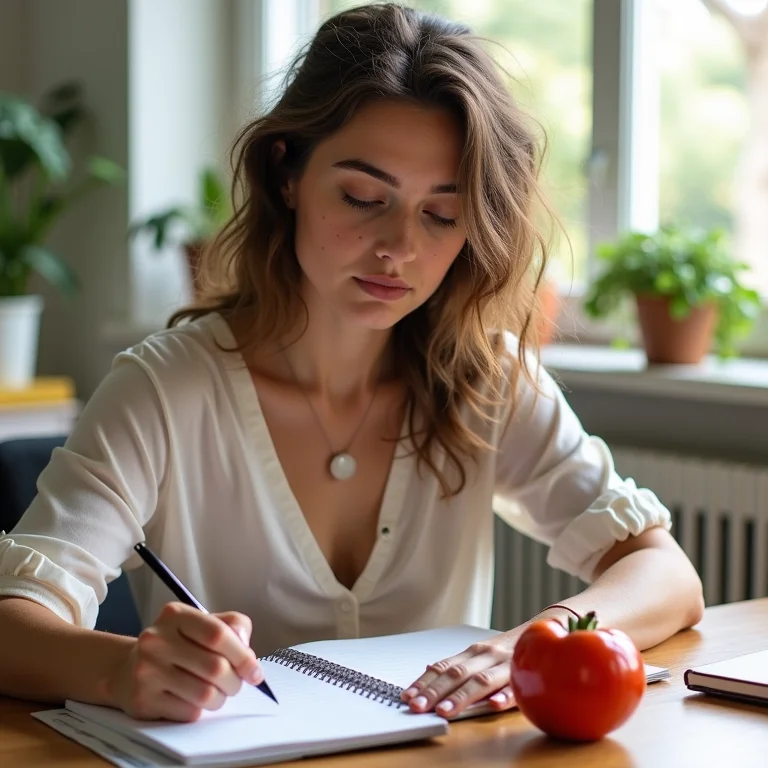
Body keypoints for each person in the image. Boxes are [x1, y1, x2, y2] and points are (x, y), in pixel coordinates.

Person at [0, 3, 703, 724]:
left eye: (440, 214)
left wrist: (537, 637)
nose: (398, 247)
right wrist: (126, 669)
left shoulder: (485, 376)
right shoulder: (163, 390)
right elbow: (12, 627)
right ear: (286, 175)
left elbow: (665, 574)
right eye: (364, 197)